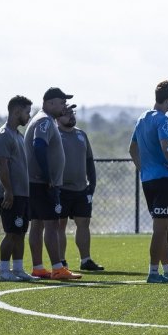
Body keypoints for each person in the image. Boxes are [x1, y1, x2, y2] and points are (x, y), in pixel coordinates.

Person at [130, 81, 168, 283]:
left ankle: (166, 271)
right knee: (161, 229)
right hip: (163, 179)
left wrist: (143, 169)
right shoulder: (163, 120)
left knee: (161, 227)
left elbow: (132, 149)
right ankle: (153, 273)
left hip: (149, 179)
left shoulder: (142, 118)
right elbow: (165, 146)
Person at [25, 87, 79, 280]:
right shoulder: (44, 120)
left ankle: (38, 268)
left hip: (36, 182)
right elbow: (38, 146)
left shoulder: (46, 120)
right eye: (62, 102)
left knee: (38, 224)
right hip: (42, 182)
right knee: (52, 224)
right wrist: (48, 176)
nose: (64, 105)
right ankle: (58, 268)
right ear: (49, 103)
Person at [0, 96, 38, 282]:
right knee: (11, 232)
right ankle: (4, 271)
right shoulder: (4, 135)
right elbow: (1, 165)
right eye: (27, 112)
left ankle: (18, 269)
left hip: (22, 193)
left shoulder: (17, 135)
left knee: (20, 232)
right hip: (10, 194)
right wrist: (8, 191)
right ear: (16, 112)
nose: (29, 116)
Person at [56, 105, 102, 271]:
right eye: (66, 113)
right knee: (59, 225)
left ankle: (86, 260)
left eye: (72, 113)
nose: (71, 116)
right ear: (57, 117)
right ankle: (61, 262)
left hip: (81, 189)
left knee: (84, 223)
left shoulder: (81, 134)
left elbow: (89, 160)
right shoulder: (54, 135)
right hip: (60, 189)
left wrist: (92, 184)